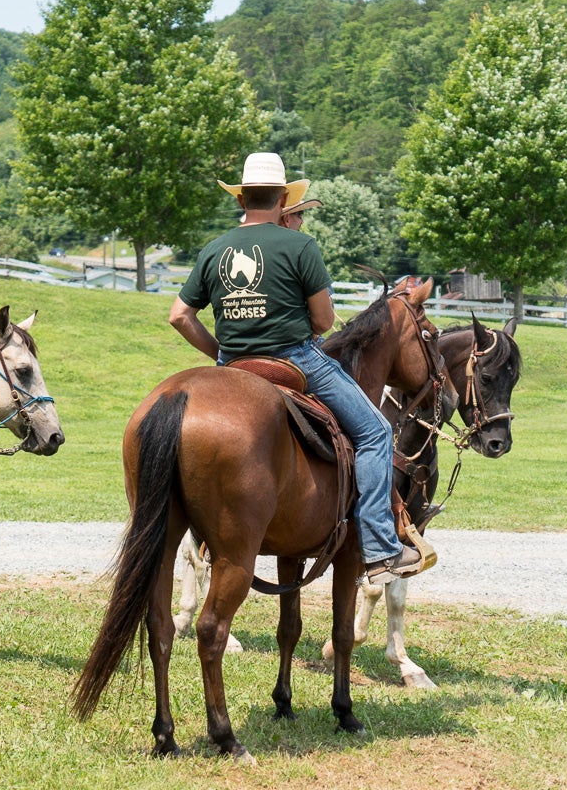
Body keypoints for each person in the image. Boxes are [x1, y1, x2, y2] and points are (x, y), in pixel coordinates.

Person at [171, 152, 421, 585]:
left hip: (234, 366)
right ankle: (381, 550)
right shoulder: (301, 245)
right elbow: (324, 322)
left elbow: (179, 316)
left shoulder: (214, 249)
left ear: (241, 199)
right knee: (376, 432)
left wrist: (221, 355)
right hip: (296, 360)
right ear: (284, 199)